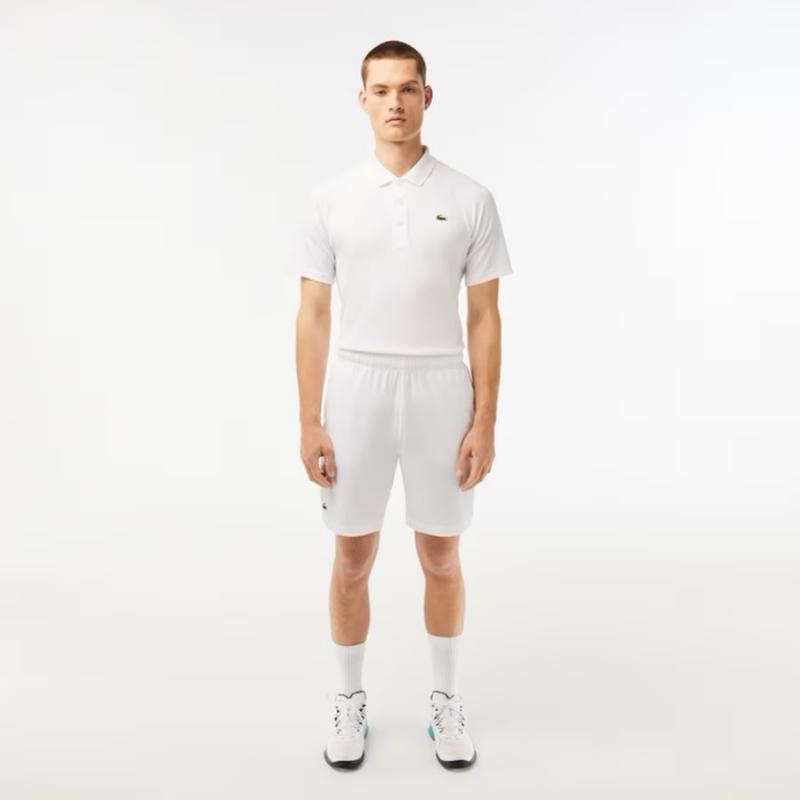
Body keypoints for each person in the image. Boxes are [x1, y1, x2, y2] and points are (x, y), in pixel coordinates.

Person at [291, 40, 513, 771]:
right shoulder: (330, 200)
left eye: (407, 88)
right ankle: (348, 700)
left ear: (426, 96)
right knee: (352, 555)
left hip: (439, 387)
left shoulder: (470, 199)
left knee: (441, 554)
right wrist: (310, 418)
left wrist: (484, 418)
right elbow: (312, 314)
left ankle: (446, 702)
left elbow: (484, 316)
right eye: (381, 90)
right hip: (357, 385)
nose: (395, 102)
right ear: (362, 100)